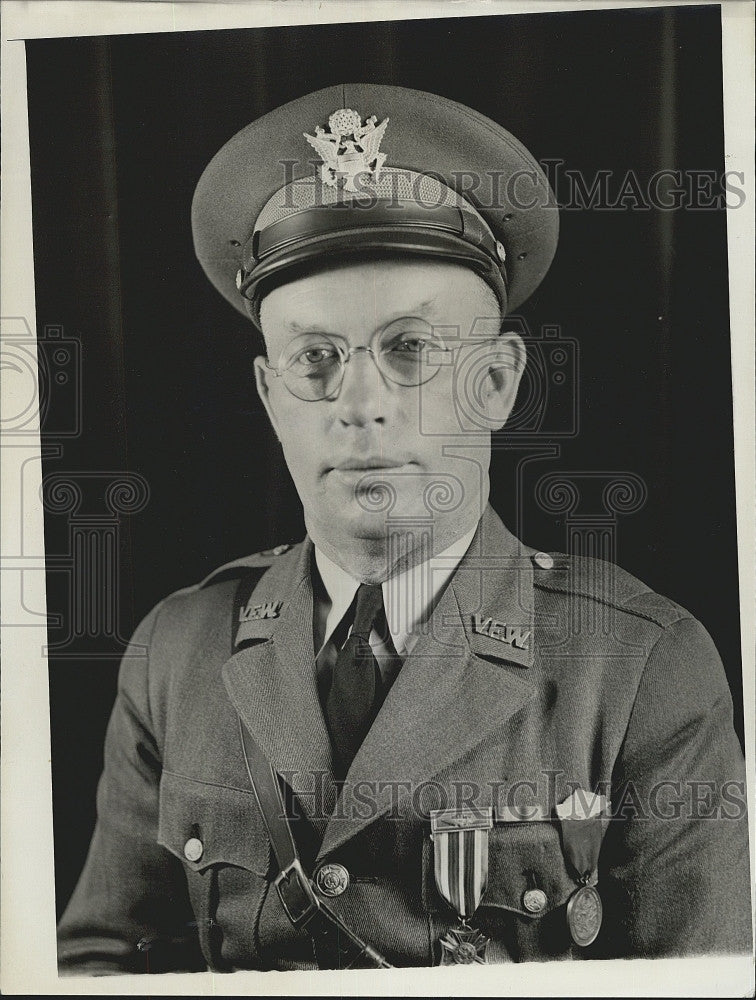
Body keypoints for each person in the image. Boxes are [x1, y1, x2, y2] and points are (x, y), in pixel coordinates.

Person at [57, 83, 751, 973]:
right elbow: (95, 964)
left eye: (411, 349)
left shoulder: (641, 666)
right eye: (316, 360)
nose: (362, 406)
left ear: (497, 383)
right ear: (271, 398)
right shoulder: (178, 650)